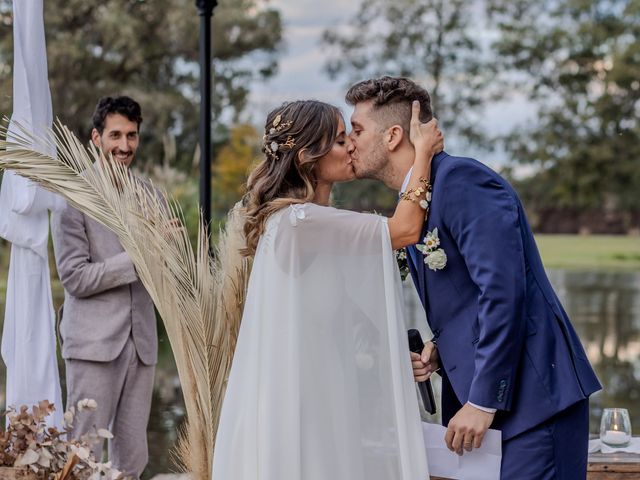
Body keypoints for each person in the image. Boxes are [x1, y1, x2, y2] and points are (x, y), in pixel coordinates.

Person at [345, 76, 602, 479]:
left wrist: (483, 402)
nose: (349, 141)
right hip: (492, 411)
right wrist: (442, 346)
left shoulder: (463, 182)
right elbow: (468, 299)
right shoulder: (415, 204)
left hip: (532, 405)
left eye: (357, 130)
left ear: (393, 135)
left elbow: (503, 293)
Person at [211, 99, 443, 480]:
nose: (351, 145)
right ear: (308, 157)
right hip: (300, 407)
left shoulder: (305, 224)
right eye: (339, 141)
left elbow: (336, 317)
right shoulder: (300, 222)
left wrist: (395, 356)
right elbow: (404, 230)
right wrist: (422, 155)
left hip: (322, 396)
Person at [51, 96, 156, 478]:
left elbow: (162, 275)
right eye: (115, 135)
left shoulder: (151, 196)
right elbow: (75, 278)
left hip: (141, 344)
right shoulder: (73, 199)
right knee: (84, 454)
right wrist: (140, 257)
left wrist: (172, 253)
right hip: (93, 346)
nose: (124, 146)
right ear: (96, 138)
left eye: (132, 135)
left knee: (133, 459)